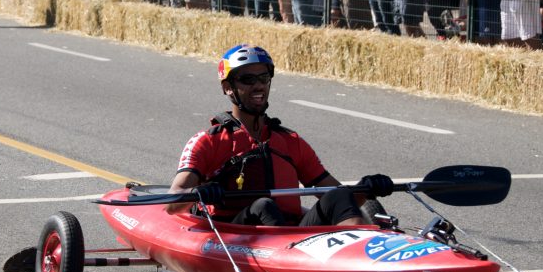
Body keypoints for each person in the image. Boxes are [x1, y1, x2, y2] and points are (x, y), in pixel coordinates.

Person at [168, 45, 393, 226]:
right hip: (235, 233)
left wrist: (367, 187)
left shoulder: (289, 141)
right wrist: (197, 192)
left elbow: (344, 201)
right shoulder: (209, 141)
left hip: (292, 238)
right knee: (263, 206)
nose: (259, 86)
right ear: (228, 87)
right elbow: (173, 202)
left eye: (264, 78)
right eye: (248, 80)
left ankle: (360, 260)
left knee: (338, 195)